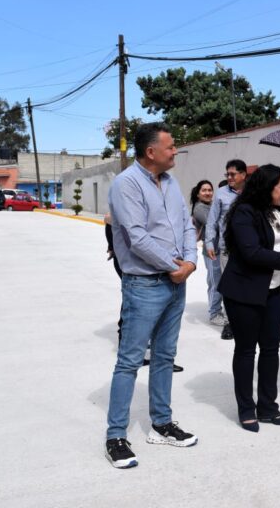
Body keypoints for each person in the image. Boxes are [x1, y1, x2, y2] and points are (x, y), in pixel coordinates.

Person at [105, 122, 198, 469]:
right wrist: (174, 266)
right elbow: (137, 237)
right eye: (170, 147)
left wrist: (190, 262)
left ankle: (161, 424)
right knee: (129, 361)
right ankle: (116, 436)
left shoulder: (171, 183)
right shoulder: (126, 184)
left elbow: (187, 225)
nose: (175, 151)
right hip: (144, 284)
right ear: (151, 152)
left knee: (165, 356)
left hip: (176, 282)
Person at [218, 165, 280, 431]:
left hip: (273, 292)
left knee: (271, 351)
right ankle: (246, 409)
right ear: (267, 188)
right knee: (246, 351)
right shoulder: (244, 212)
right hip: (244, 292)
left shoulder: (276, 211)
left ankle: (268, 407)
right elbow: (251, 252)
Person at [105, 213, 183, 371]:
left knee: (148, 305)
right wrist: (113, 245)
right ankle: (131, 349)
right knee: (135, 303)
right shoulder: (130, 203)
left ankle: (159, 356)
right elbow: (109, 218)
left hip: (154, 261)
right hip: (135, 262)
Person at [206, 159, 248, 340]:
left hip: (249, 249)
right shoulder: (221, 193)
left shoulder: (252, 192)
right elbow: (212, 221)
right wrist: (209, 243)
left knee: (247, 285)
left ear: (243, 175)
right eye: (227, 174)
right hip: (227, 249)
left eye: (233, 174)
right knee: (229, 287)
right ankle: (229, 323)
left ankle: (246, 320)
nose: (229, 177)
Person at [190, 180, 226, 326]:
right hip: (212, 252)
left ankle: (218, 310)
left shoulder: (212, 205)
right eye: (204, 190)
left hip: (220, 249)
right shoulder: (199, 208)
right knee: (215, 282)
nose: (207, 193)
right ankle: (214, 313)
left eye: (210, 190)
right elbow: (214, 224)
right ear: (198, 194)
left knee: (220, 282)